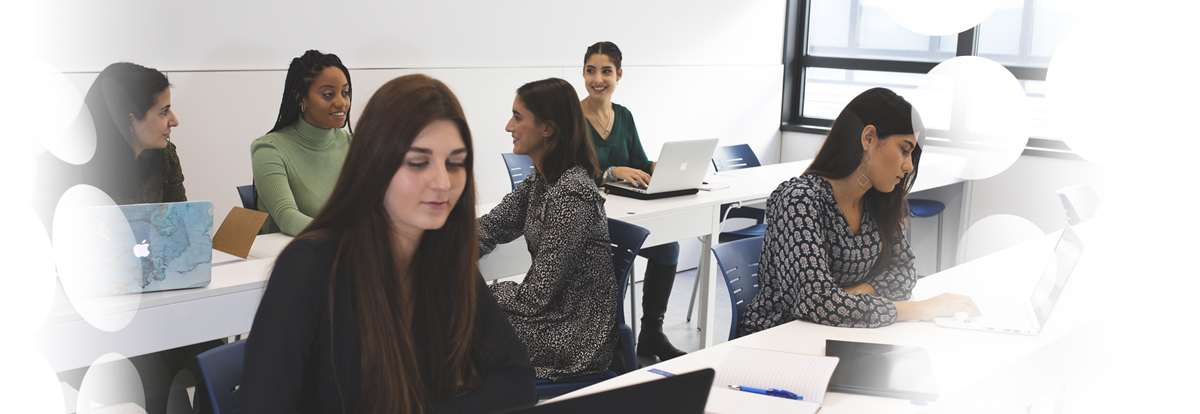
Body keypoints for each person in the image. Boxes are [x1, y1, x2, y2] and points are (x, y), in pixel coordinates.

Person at [238, 74, 536, 413]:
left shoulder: (442, 258)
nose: (442, 182)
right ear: (374, 164)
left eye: (455, 163)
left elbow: (517, 381)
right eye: (417, 162)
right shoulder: (309, 267)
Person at [34, 62, 214, 414]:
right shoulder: (63, 167)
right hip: (90, 319)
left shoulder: (164, 158)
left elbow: (181, 228)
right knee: (154, 376)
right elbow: (47, 255)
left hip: (154, 304)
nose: (174, 121)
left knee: (212, 354)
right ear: (129, 119)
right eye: (163, 111)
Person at [738, 87, 979, 335]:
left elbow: (904, 272)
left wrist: (845, 297)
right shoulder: (799, 200)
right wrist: (920, 309)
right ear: (869, 138)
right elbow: (814, 302)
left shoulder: (875, 202)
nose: (908, 166)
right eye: (904, 150)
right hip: (779, 339)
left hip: (839, 332)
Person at [479, 78, 617, 380]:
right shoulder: (542, 181)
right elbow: (491, 227)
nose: (508, 127)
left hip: (576, 334)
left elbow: (535, 296)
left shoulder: (571, 193)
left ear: (547, 128)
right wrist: (436, 247)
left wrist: (478, 294)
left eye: (517, 117)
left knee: (465, 327)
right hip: (551, 315)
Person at [580, 41, 685, 361]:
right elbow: (570, 171)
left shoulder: (623, 116)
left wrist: (663, 167)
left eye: (606, 71)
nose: (598, 79)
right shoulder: (572, 117)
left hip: (624, 213)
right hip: (586, 217)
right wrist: (611, 171)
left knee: (669, 247)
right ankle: (609, 342)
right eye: (591, 70)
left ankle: (651, 334)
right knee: (616, 257)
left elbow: (638, 161)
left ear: (619, 75)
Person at [251, 49, 353, 235]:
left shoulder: (353, 145)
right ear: (301, 98)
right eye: (328, 94)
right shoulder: (268, 149)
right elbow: (288, 218)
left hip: (343, 252)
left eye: (345, 93)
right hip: (286, 257)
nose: (342, 102)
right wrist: (346, 236)